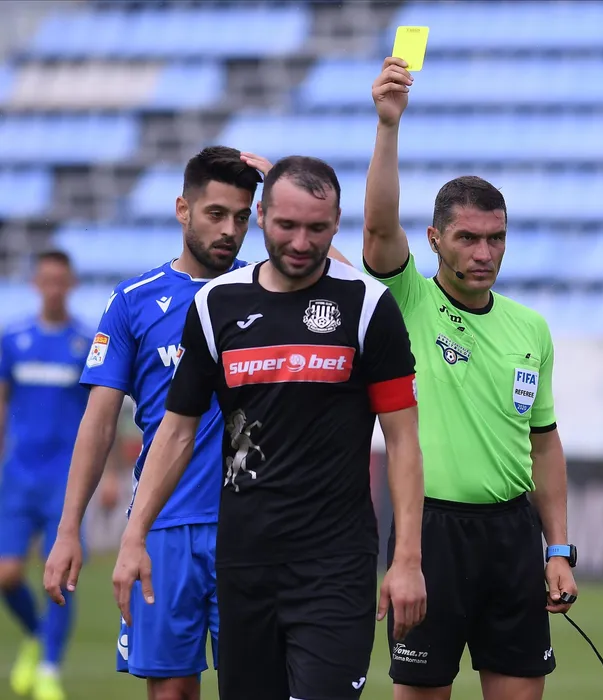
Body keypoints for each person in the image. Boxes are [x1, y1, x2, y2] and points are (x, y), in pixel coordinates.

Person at [111, 155, 427, 700]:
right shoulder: (216, 305)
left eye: (317, 228)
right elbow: (176, 432)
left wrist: (407, 560)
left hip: (336, 565)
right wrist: (134, 535)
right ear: (260, 216)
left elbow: (402, 441)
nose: (301, 242)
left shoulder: (367, 305)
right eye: (287, 225)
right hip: (244, 564)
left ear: (337, 222)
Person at [42, 146, 299, 700]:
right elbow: (99, 424)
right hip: (162, 527)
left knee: (257, 687)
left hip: (250, 527)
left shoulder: (268, 289)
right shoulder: (133, 303)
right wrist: (68, 530)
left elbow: (352, 282)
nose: (229, 230)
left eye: (241, 217)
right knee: (171, 692)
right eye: (215, 214)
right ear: (183, 209)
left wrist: (285, 184)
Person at [362, 57, 578, 700]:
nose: (484, 254)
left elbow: (545, 444)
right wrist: (388, 126)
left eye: (496, 239)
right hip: (430, 533)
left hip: (513, 535)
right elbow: (378, 227)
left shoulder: (529, 328)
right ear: (434, 239)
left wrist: (558, 549)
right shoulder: (409, 299)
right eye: (467, 238)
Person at [0, 250, 92, 700]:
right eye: (47, 280)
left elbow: (101, 414)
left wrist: (113, 475)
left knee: (62, 572)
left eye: (61, 281)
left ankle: (50, 667)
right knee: (7, 575)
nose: (54, 288)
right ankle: (37, 635)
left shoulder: (85, 343)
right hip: (19, 475)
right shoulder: (13, 339)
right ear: (36, 283)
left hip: (66, 478)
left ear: (71, 284)